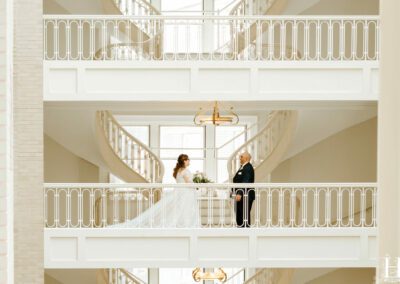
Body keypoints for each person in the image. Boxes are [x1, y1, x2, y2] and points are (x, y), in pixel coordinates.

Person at [110, 154, 200, 228]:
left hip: (180, 191)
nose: (189, 161)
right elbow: (188, 182)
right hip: (185, 192)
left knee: (178, 209)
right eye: (188, 160)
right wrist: (197, 186)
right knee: (184, 209)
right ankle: (185, 225)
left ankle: (182, 224)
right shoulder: (185, 171)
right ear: (184, 161)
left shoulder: (178, 171)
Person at [232, 151, 255, 228]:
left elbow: (245, 181)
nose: (240, 158)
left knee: (244, 216)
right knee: (239, 215)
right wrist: (233, 192)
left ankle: (245, 233)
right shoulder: (243, 167)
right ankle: (240, 232)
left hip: (245, 195)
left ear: (246, 158)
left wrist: (239, 193)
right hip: (240, 196)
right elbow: (236, 180)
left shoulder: (248, 167)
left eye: (241, 156)